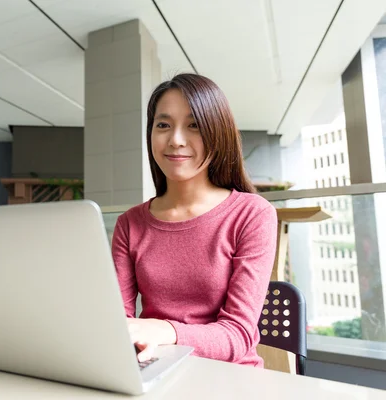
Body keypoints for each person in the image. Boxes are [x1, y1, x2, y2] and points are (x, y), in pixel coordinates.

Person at [112, 73, 278, 367]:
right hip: (154, 367)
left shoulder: (252, 214)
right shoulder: (130, 224)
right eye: (163, 125)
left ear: (217, 132)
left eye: (194, 126)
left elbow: (237, 336)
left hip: (230, 377)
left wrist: (166, 330)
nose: (175, 140)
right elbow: (116, 321)